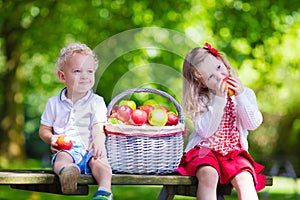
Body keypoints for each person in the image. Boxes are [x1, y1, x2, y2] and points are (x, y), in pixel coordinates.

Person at [175, 43, 266, 200]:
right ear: (201, 83)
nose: (219, 76)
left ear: (222, 62)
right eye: (210, 77)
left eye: (218, 68)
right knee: (208, 175)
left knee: (246, 179)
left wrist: (240, 95)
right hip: (204, 150)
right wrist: (219, 99)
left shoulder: (245, 93)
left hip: (233, 153)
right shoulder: (202, 100)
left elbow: (253, 123)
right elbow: (206, 131)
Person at [39, 42, 113, 200]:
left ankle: (104, 191)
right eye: (77, 71)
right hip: (68, 148)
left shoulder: (96, 101)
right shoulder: (54, 103)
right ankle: (67, 172)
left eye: (90, 71)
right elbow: (44, 129)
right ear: (62, 76)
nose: (85, 76)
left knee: (101, 164)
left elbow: (98, 126)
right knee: (61, 158)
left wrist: (99, 141)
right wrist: (51, 138)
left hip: (91, 149)